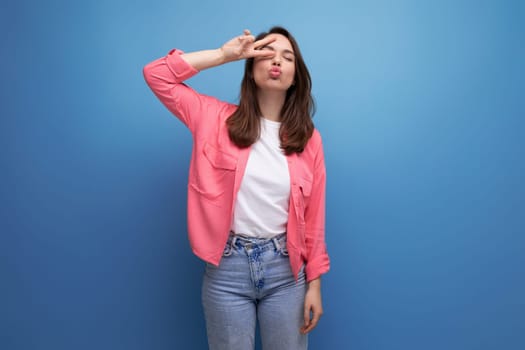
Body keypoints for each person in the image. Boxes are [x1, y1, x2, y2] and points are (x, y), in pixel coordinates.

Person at [143, 26, 330, 350]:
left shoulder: (310, 140)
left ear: (295, 76)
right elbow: (156, 74)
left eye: (287, 57)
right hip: (227, 270)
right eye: (266, 53)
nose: (276, 62)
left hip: (286, 272)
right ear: (250, 65)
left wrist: (314, 284)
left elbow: (314, 218)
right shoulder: (213, 119)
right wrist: (222, 55)